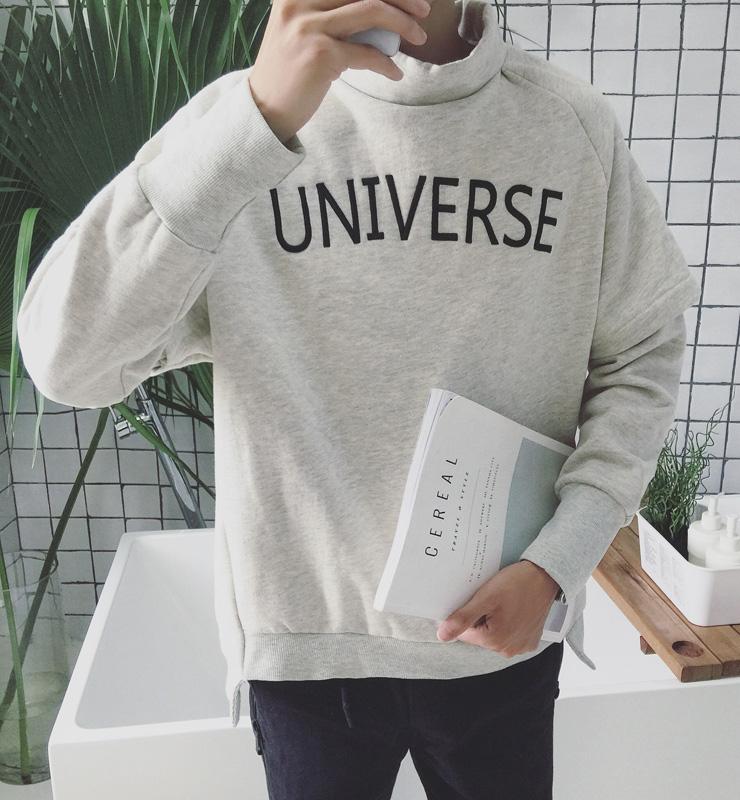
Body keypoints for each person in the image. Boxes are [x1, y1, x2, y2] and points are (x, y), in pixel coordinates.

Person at [18, 0, 699, 797]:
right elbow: (67, 361)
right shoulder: (236, 129)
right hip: (307, 656)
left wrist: (558, 561)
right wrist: (253, 123)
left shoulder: (568, 127)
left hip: (501, 638)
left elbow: (640, 355)